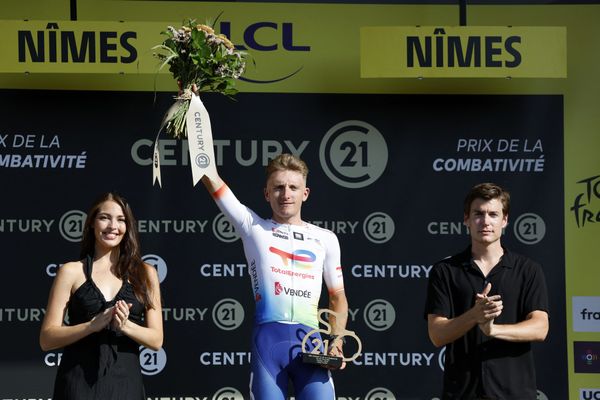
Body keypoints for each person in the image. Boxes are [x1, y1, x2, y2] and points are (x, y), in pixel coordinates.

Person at [201, 153, 348, 399]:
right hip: (268, 347)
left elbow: (338, 296)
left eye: (293, 187)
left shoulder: (326, 239)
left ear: (305, 193)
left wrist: (337, 341)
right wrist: (198, 144)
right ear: (267, 194)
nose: (286, 194)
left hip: (310, 344)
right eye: (278, 187)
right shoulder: (253, 228)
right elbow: (213, 181)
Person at [424, 182, 549, 400]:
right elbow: (437, 334)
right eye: (478, 214)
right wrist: (474, 315)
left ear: (505, 220)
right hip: (461, 394)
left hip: (516, 394)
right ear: (467, 219)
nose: (486, 221)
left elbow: (540, 328)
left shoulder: (528, 270)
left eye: (493, 214)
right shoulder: (445, 271)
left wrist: (493, 330)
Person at [40, 192, 163, 399]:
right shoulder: (70, 272)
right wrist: (91, 326)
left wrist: (125, 326)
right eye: (104, 217)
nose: (112, 226)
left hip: (126, 386)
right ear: (91, 224)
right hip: (77, 385)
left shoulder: (146, 273)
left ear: (128, 227)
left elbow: (156, 340)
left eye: (121, 220)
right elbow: (47, 339)